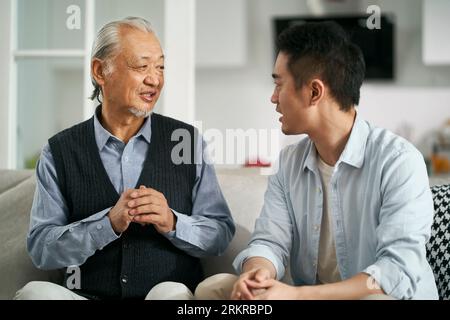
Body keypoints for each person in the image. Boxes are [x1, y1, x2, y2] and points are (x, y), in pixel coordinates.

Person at [14, 17, 235, 300]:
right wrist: (106, 224)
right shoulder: (59, 151)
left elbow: (220, 233)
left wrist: (173, 222)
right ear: (100, 71)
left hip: (164, 295)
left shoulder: (187, 141)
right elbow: (42, 249)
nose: (154, 79)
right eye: (141, 66)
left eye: (160, 67)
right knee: (35, 294)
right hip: (85, 295)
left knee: (172, 293)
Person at [229, 21, 438, 300]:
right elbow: (269, 241)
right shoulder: (290, 163)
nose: (273, 97)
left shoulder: (399, 162)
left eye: (279, 84)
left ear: (315, 92)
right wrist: (258, 273)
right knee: (215, 287)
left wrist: (297, 295)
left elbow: (394, 273)